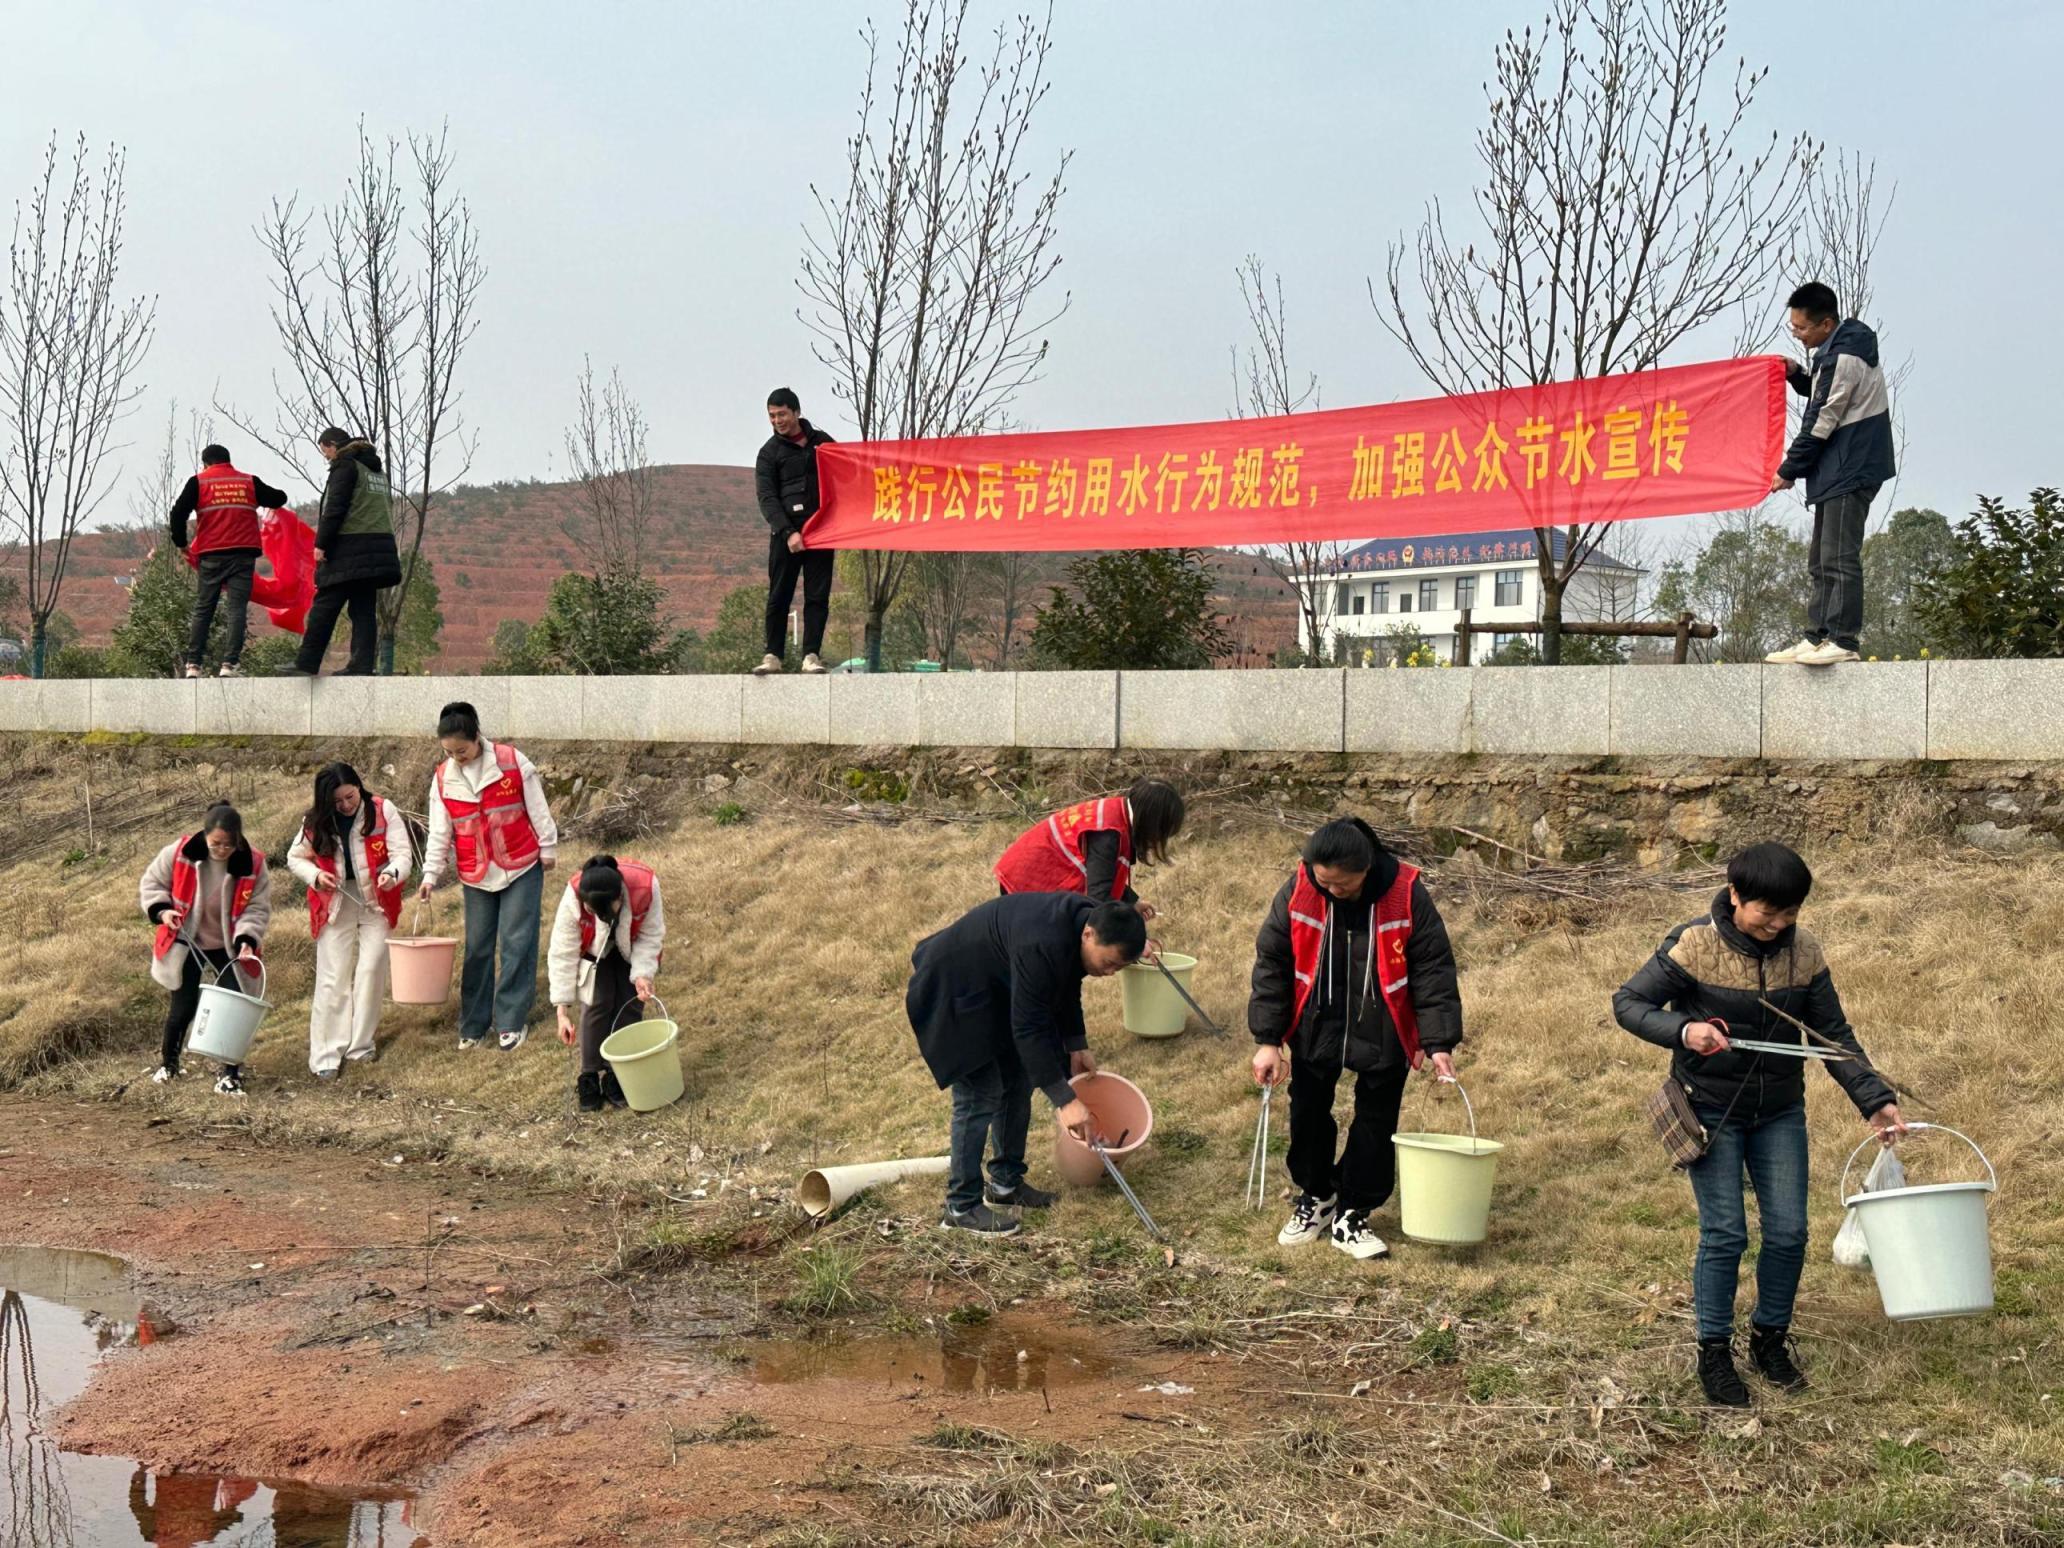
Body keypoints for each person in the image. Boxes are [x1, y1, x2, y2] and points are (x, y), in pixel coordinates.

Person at [1614, 842, 1906, 1407]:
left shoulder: (1806, 954)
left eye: (1789, 913)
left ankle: (1770, 1340)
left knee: (1791, 1231)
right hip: (1709, 1109)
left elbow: (1833, 1037)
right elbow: (1627, 1003)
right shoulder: (1693, 943)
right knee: (1725, 1234)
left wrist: (1873, 1099)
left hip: (1778, 1112)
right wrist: (1683, 1033)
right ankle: (1714, 1352)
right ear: (1734, 896)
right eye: (1765, 912)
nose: (1776, 925)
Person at [1247, 816, 1463, 1261]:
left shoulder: (1405, 892)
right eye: (1321, 880)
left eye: (1341, 884)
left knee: (1376, 1121)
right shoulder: (1300, 886)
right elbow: (1272, 962)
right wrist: (1268, 1038)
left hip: (1384, 1025)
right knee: (1307, 1111)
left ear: (1367, 869)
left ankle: (1354, 1210)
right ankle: (1317, 1195)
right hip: (1316, 1022)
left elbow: (1433, 968)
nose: (1329, 890)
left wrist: (1439, 1042)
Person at [906, 893, 1147, 1235]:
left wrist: (1075, 1044)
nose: (1110, 973)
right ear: (1089, 935)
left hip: (995, 989)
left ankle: (1005, 1185)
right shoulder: (1043, 941)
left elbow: (1066, 983)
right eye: (1109, 963)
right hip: (950, 992)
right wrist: (1065, 1100)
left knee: (1019, 1078)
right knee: (980, 1094)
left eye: (1119, 968)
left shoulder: (1081, 923)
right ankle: (960, 1207)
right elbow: (1029, 1027)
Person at [1764, 282, 1896, 668]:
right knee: (1820, 560)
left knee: (1838, 556)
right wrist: (1795, 374)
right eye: (1793, 328)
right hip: (1837, 466)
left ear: (1826, 324)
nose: (1798, 334)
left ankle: (1843, 638)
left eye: (1802, 329)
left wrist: (1789, 469)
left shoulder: (1845, 356)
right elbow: (1823, 391)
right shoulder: (1834, 353)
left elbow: (1822, 419)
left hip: (1851, 465)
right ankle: (1817, 636)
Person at [419, 701, 558, 1051]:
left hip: (521, 864)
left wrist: (548, 847)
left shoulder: (512, 761)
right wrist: (430, 875)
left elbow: (537, 808)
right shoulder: (442, 779)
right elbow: (440, 832)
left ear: (477, 736)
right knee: (478, 947)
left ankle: (510, 1020)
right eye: (449, 751)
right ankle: (473, 1024)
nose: (457, 757)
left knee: (517, 941)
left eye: (462, 750)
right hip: (476, 872)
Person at [286, 762, 410, 1080]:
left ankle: (360, 1045)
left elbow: (402, 855)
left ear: (359, 788)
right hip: (335, 902)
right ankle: (326, 1055)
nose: (345, 806)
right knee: (333, 976)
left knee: (371, 968)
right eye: (337, 802)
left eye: (350, 797)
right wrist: (316, 875)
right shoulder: (314, 822)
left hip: (377, 902)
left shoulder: (383, 810)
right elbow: (294, 858)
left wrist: (391, 873)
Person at [139, 802, 272, 1096]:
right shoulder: (180, 852)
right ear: (205, 835)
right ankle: (169, 1065)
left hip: (228, 943)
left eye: (228, 845)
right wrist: (162, 911)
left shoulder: (254, 863)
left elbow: (257, 908)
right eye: (215, 843)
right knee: (182, 1006)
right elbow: (152, 883)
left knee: (234, 1009)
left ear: (238, 840)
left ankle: (230, 1075)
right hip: (187, 937)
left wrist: (247, 939)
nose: (222, 850)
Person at [547, 854, 667, 1112]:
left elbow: (651, 933)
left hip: (631, 945)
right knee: (597, 1002)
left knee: (630, 1002)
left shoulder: (645, 886)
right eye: (592, 911)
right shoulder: (574, 895)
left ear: (620, 898)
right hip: (592, 950)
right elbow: (562, 952)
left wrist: (643, 974)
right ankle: (589, 1074)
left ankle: (618, 1072)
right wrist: (562, 1009)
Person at [285, 427, 402, 677]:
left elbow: (335, 508)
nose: (326, 457)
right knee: (362, 609)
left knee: (325, 605)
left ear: (331, 445)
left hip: (349, 548)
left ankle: (306, 663)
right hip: (378, 548)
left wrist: (322, 544)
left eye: (324, 451)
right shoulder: (376, 470)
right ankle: (361, 665)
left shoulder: (346, 467)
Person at [168, 444, 290, 679]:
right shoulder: (248, 481)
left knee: (204, 608)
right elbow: (279, 498)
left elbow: (177, 513)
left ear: (205, 463)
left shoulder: (198, 482)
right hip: (242, 555)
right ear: (228, 460)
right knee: (236, 610)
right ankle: (229, 665)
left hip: (211, 554)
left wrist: (181, 543)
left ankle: (193, 665)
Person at [992, 780, 1185, 924]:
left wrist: (1132, 903)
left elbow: (1100, 875)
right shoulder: (1108, 834)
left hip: (1026, 870)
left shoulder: (1116, 813)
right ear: (1152, 823)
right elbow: (1098, 901)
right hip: (1028, 881)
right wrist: (1133, 941)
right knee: (1044, 953)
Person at [753, 387, 836, 676]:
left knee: (817, 597)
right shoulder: (768, 454)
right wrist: (788, 532)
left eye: (782, 414)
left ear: (796, 412)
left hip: (821, 534)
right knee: (779, 596)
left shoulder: (824, 444)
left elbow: (847, 475)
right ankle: (773, 655)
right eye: (772, 416)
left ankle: (811, 656)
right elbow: (767, 499)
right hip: (785, 536)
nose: (777, 421)